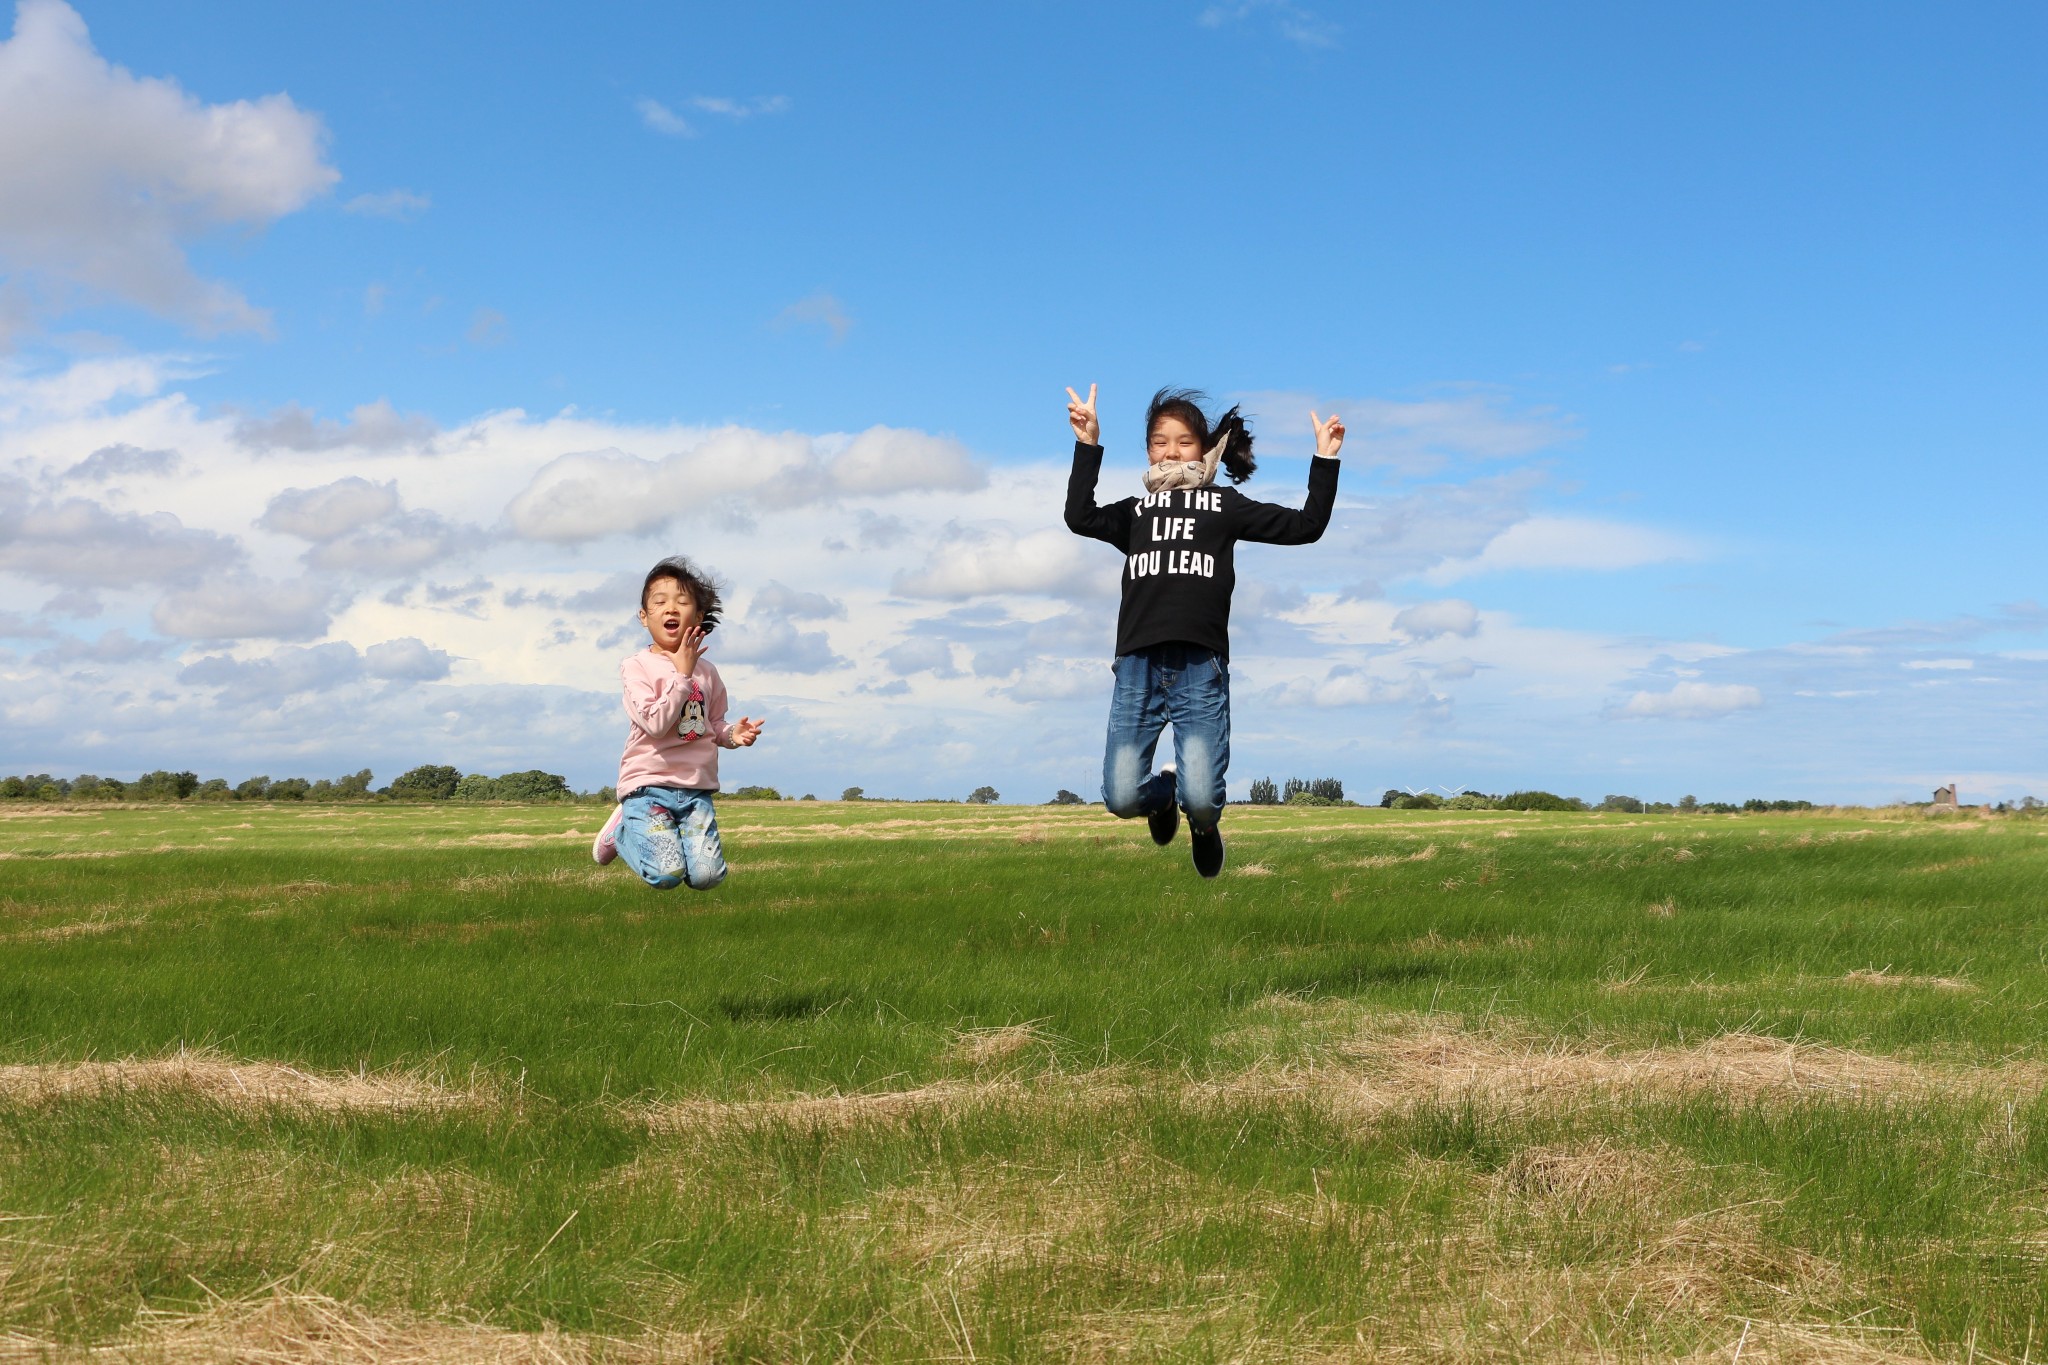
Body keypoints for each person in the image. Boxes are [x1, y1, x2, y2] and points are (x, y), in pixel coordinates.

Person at [1063, 385, 1344, 877]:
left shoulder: (1223, 505)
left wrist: (1325, 458)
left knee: (1205, 799)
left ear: (1205, 446)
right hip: (1138, 664)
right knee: (1122, 795)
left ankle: (1204, 825)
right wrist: (1088, 444)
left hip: (1200, 665)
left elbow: (1306, 526)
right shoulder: (1135, 513)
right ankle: (1162, 797)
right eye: (1159, 441)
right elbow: (1079, 516)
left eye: (1184, 441)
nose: (1171, 451)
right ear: (1148, 449)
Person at [590, 556, 765, 889]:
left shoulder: (709, 672)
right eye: (660, 602)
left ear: (697, 617)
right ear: (644, 617)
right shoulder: (636, 666)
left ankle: (648, 833)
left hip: (696, 790)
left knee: (707, 878)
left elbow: (709, 725)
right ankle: (623, 829)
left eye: (682, 602)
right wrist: (682, 675)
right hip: (648, 786)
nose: (671, 608)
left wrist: (732, 734)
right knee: (666, 875)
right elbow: (655, 724)